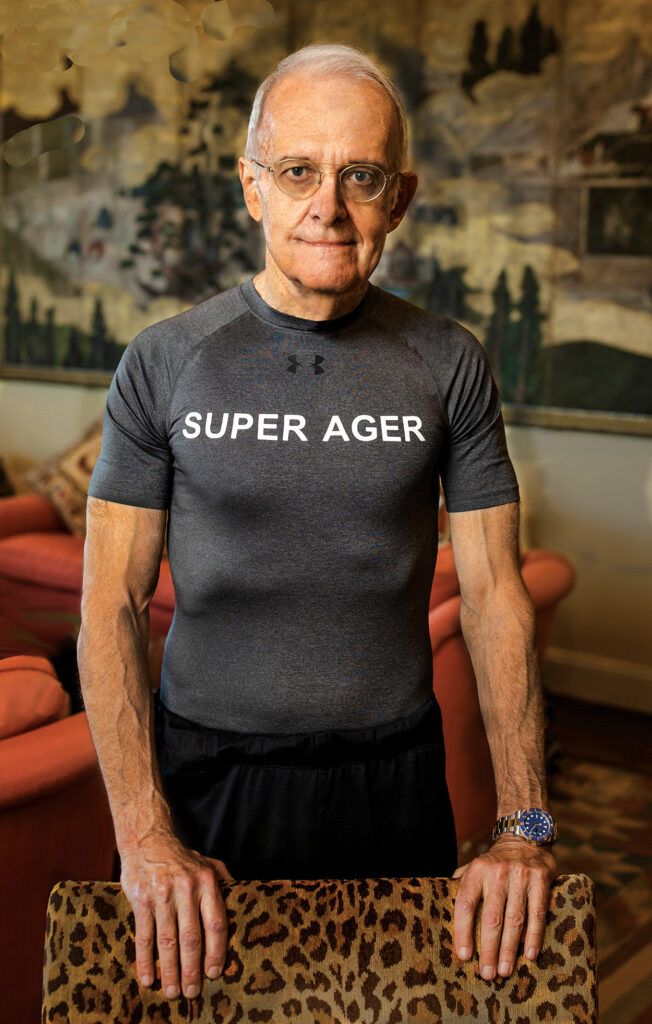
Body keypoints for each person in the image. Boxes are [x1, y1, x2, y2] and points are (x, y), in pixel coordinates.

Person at [79, 42, 557, 1005]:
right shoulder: (166, 362)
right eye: (297, 170)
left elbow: (499, 601)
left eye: (361, 176)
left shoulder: (448, 362)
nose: (326, 205)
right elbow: (109, 608)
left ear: (402, 196)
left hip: (396, 780)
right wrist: (143, 834)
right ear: (253, 188)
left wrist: (524, 829)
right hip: (207, 784)